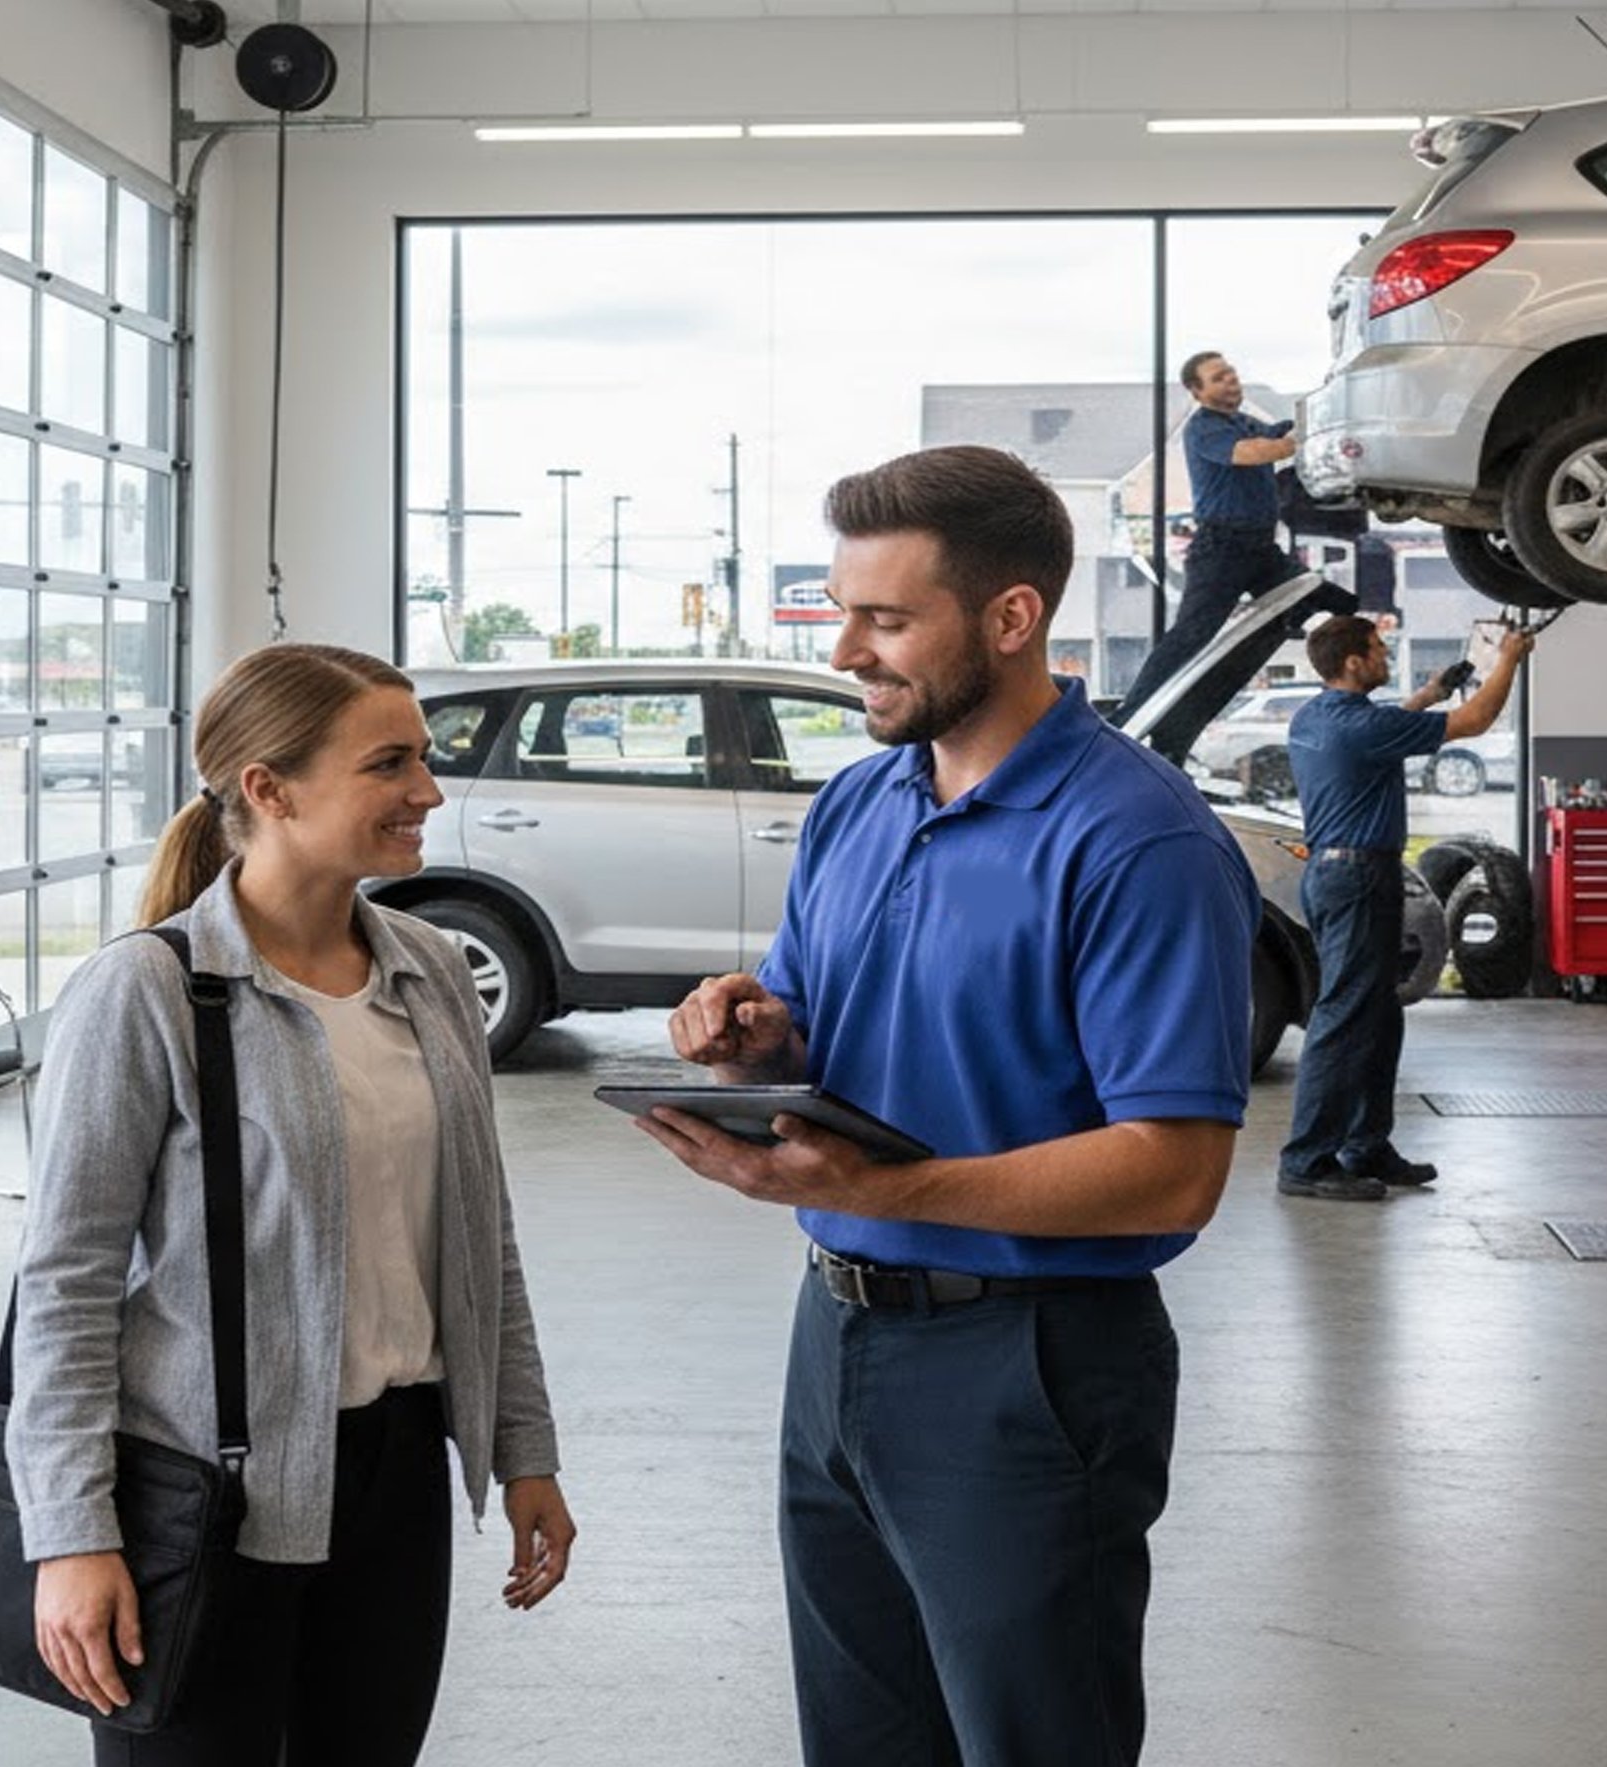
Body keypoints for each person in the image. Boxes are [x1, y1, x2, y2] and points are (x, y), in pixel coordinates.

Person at [634, 445, 1260, 1767]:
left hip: (1031, 1364)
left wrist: (884, 1193)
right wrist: (750, 1036)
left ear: (1011, 617)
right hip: (840, 1342)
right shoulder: (861, 801)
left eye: (887, 617)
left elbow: (1171, 1169)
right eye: (842, 607)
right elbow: (812, 1035)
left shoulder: (1136, 840)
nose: (845, 645)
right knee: (862, 1740)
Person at [6, 643, 576, 1764]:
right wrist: (71, 1533)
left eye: (423, 760)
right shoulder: (149, 990)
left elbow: (479, 1237)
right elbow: (65, 1282)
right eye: (390, 764)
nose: (428, 791)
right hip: (199, 1496)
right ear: (269, 790)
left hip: (398, 1478)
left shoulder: (431, 972)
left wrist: (525, 1449)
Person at [1277, 615, 1533, 1200]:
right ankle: (1307, 1160)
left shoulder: (1316, 717)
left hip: (1335, 873)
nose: (1385, 654)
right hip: (1359, 877)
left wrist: (1430, 694)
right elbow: (1477, 720)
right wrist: (1509, 659)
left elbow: (1390, 724)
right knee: (1343, 1013)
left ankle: (1367, 1145)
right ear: (1352, 662)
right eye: (1377, 648)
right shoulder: (1361, 728)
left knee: (1377, 1012)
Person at [1111, 350, 1356, 726]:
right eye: (1219, 378)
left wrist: (1322, 417)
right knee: (1191, 636)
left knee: (1339, 601)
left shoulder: (1244, 421)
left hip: (1261, 551)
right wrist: (1298, 441)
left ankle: (1304, 632)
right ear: (1197, 391)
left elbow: (1279, 431)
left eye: (1231, 373)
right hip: (1221, 551)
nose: (1231, 380)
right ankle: (1131, 714)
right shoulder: (1205, 428)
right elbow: (1259, 452)